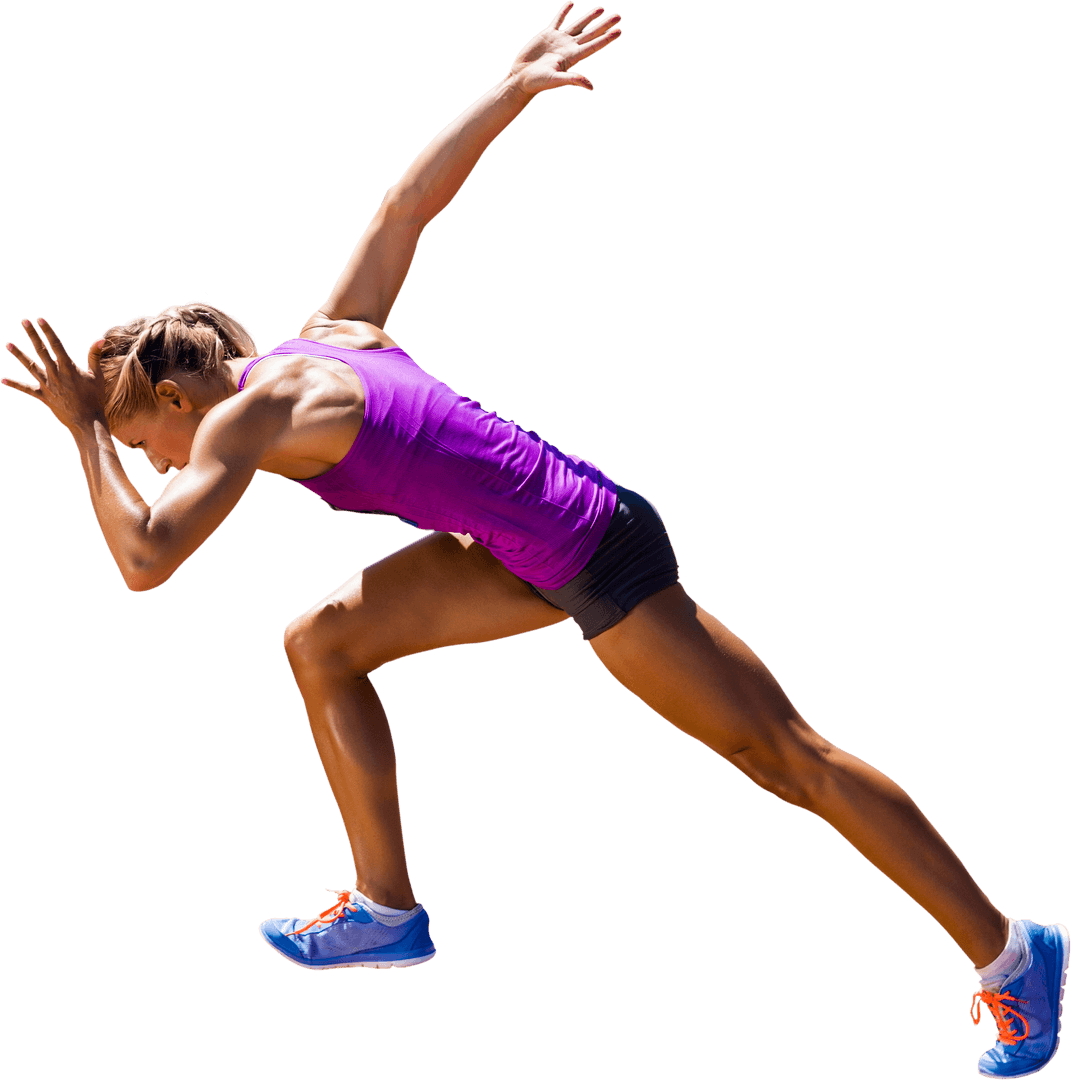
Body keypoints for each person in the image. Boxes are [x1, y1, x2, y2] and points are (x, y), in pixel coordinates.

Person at [3, 5, 1065, 1076]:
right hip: (517, 544)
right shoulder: (324, 336)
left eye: (143, 444)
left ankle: (1015, 952)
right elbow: (405, 207)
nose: (154, 463)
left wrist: (82, 430)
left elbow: (145, 558)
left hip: (593, 551)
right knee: (319, 643)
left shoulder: (247, 416)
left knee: (787, 760)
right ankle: (386, 911)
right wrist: (509, 90)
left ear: (175, 398)